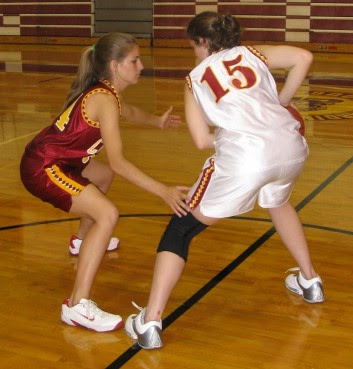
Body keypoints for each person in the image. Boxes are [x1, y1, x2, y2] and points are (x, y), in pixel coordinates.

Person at [124, 11, 325, 349]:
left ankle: (149, 321)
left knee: (181, 227)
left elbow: (202, 141)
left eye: (194, 46)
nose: (195, 53)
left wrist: (236, 128)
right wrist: (281, 103)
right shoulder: (254, 53)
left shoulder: (194, 78)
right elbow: (304, 57)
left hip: (248, 157)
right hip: (291, 147)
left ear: (203, 42)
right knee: (278, 201)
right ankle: (310, 281)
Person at [20, 32, 190, 332]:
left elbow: (130, 112)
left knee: (102, 176)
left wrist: (157, 121)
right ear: (114, 65)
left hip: (62, 162)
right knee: (107, 214)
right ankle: (76, 305)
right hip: (45, 167)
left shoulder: (108, 93)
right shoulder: (103, 99)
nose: (141, 66)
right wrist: (163, 190)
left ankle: (83, 242)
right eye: (134, 60)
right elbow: (119, 161)